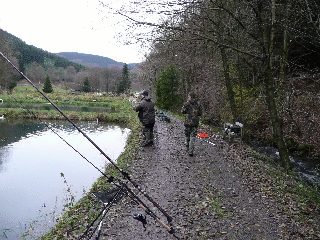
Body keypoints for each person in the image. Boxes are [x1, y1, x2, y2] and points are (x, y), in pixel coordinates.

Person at [181, 92, 202, 156]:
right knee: (193, 137)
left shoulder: (186, 104)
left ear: (190, 97)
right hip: (195, 123)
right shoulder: (198, 104)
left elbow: (182, 111)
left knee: (187, 136)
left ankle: (188, 147)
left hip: (188, 122)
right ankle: (191, 151)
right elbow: (200, 113)